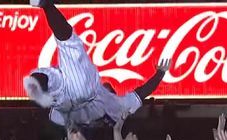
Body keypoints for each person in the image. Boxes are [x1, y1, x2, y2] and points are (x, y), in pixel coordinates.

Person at [24, 0, 171, 129]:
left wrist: (160, 73)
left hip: (82, 94)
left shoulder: (112, 103)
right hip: (64, 105)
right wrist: (160, 73)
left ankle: (47, 4)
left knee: (71, 46)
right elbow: (142, 93)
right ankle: (39, 85)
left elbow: (142, 92)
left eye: (110, 89)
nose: (110, 87)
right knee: (53, 77)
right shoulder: (119, 108)